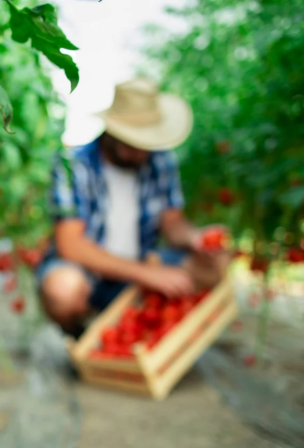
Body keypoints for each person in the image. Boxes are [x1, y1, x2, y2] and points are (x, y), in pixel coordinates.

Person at [38, 78, 229, 338]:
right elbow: (70, 245)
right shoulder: (73, 165)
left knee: (217, 263)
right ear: (112, 131)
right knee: (62, 290)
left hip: (141, 267)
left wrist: (194, 238)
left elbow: (173, 223)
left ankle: (147, 328)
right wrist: (148, 274)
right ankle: (81, 335)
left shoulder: (160, 161)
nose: (141, 153)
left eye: (146, 144)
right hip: (90, 274)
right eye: (133, 143)